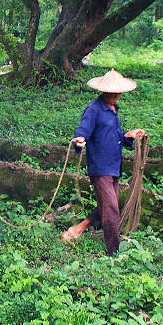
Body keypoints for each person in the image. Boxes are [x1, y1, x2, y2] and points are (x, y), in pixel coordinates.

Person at [61, 69, 147, 256]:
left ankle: (78, 229)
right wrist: (79, 140)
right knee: (112, 210)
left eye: (118, 92)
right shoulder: (94, 109)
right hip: (100, 168)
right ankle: (113, 252)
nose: (116, 95)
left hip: (114, 166)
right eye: (112, 92)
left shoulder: (114, 110)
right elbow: (82, 130)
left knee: (107, 206)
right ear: (104, 91)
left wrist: (128, 135)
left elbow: (113, 135)